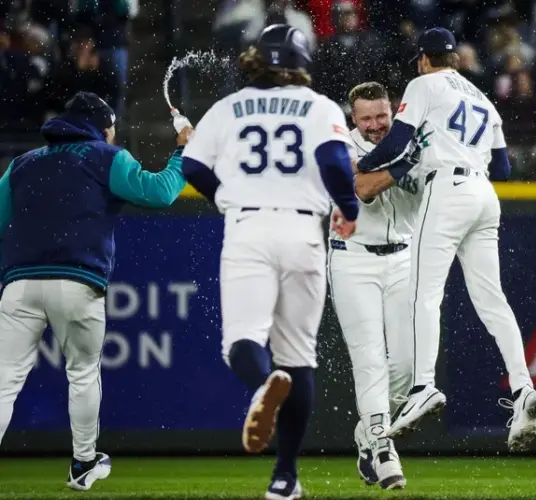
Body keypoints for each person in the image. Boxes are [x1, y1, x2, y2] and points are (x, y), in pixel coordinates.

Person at [180, 24, 358, 500]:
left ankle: (263, 385)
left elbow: (192, 167)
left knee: (242, 342)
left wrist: (226, 196)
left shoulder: (227, 107)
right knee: (299, 358)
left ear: (256, 58)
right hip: (304, 232)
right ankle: (284, 477)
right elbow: (338, 166)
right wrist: (351, 208)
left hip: (248, 229)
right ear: (302, 61)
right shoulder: (319, 106)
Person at [356, 27, 536, 451]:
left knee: (424, 293)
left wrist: (363, 166)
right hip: (485, 195)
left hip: (448, 190)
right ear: (455, 58)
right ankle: (523, 388)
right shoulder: (482, 98)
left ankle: (423, 385)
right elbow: (504, 169)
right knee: (493, 300)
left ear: (424, 59)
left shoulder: (423, 83)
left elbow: (398, 141)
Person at [0, 91, 191, 490]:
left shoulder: (22, 163)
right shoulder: (106, 156)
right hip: (77, 282)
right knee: (83, 374)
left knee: (4, 382)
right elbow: (159, 193)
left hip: (18, 285)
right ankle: (84, 463)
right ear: (103, 128)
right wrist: (182, 156)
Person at [327, 81, 423, 490]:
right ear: (354, 119)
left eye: (381, 115)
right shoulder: (338, 143)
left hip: (403, 257)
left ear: (393, 111)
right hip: (353, 259)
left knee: (405, 365)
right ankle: (384, 449)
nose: (375, 124)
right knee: (369, 360)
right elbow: (363, 188)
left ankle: (369, 433)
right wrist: (407, 162)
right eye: (366, 117)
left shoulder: (413, 137)